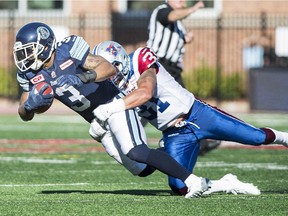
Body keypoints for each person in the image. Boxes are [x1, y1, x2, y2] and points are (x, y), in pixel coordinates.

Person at [13, 21, 213, 199]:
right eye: (22, 53)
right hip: (97, 121)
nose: (25, 57)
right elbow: (26, 112)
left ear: (45, 46)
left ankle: (194, 180)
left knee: (136, 151)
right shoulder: (30, 74)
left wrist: (81, 77)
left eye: (29, 50)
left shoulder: (68, 49)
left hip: (113, 105)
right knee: (142, 169)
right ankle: (178, 144)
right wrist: (31, 105)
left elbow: (108, 68)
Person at [89, 40, 287, 196]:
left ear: (120, 59)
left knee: (256, 137)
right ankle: (225, 183)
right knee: (179, 187)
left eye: (112, 69)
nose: (111, 77)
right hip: (175, 133)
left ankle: (284, 138)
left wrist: (110, 109)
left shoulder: (139, 58)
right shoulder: (114, 91)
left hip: (198, 114)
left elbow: (146, 91)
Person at [147, 0, 220, 155]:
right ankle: (193, 141)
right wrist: (193, 9)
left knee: (183, 105)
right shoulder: (163, 10)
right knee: (177, 104)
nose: (182, 1)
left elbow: (172, 37)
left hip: (172, 68)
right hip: (160, 65)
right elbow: (172, 16)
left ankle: (197, 141)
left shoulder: (178, 24)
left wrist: (185, 39)